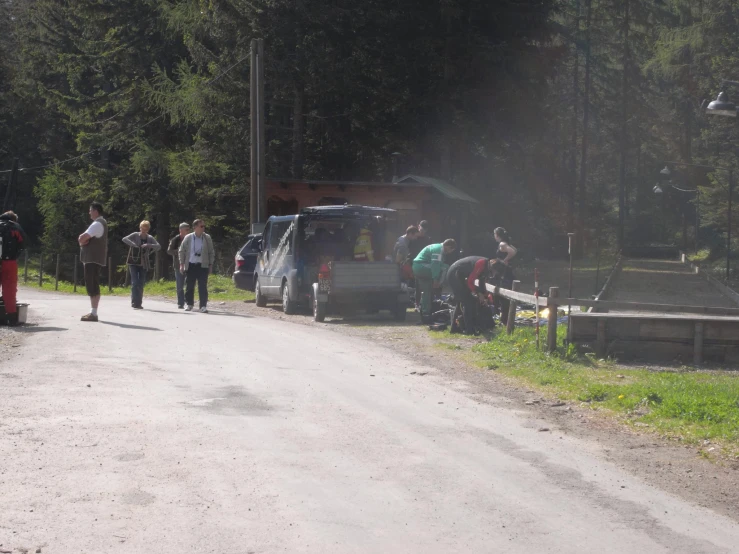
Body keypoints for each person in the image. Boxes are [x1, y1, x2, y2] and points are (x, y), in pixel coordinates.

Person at [412, 238, 457, 321]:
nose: (450, 252)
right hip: (421, 266)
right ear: (447, 246)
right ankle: (440, 286)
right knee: (445, 267)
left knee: (427, 291)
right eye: (451, 250)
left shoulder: (437, 248)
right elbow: (435, 265)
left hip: (419, 267)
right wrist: (436, 280)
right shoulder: (439, 250)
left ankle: (426, 313)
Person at [446, 256, 492, 335]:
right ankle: (469, 330)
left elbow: (481, 281)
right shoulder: (481, 264)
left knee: (462, 301)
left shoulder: (486, 265)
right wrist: (478, 293)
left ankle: (454, 328)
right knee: (468, 302)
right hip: (454, 275)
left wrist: (484, 295)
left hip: (460, 276)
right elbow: (470, 281)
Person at [78, 201, 108, 322]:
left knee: (92, 284)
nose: (89, 212)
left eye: (90, 210)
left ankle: (93, 313)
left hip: (92, 259)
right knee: (93, 283)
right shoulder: (101, 223)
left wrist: (81, 241)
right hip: (94, 259)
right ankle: (93, 312)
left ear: (96, 211)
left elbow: (82, 238)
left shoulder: (97, 224)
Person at [179, 218, 215, 313]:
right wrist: (181, 264)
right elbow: (181, 251)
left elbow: (211, 252)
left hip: (203, 266)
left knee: (203, 286)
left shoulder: (207, 238)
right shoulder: (188, 237)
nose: (203, 228)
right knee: (189, 286)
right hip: (191, 265)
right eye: (201, 226)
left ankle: (203, 306)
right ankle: (189, 304)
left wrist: (210, 265)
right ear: (195, 227)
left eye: (204, 226)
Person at [122, 220, 161, 310]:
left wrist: (149, 245)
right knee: (135, 282)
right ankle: (134, 302)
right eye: (142, 229)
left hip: (144, 263)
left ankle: (139, 303)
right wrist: (134, 245)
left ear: (148, 229)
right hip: (134, 261)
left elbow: (158, 246)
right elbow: (124, 239)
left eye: (145, 229)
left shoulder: (150, 237)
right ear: (140, 228)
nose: (143, 231)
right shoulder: (135, 235)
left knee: (141, 283)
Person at [0, 211, 27, 326]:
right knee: (10, 289)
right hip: (9, 262)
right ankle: (11, 318)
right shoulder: (15, 227)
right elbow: (24, 243)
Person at [493, 227, 517, 325]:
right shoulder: (507, 242)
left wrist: (504, 260)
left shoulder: (502, 244)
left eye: (494, 234)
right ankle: (504, 317)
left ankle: (503, 318)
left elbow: (512, 252)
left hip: (504, 273)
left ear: (497, 235)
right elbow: (515, 250)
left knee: (502, 294)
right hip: (507, 271)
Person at [409, 220, 432, 308]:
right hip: (414, 262)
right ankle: (416, 304)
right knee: (417, 284)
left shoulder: (428, 239)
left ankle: (421, 303)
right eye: (421, 229)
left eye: (423, 230)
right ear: (418, 227)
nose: (422, 232)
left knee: (422, 284)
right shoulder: (414, 238)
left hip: (424, 262)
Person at [167, 222, 190, 309]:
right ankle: (180, 303)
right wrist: (180, 251)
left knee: (189, 285)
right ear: (181, 230)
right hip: (178, 265)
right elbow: (169, 251)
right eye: (186, 229)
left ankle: (188, 302)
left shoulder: (190, 238)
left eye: (189, 229)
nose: (188, 231)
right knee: (180, 285)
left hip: (189, 264)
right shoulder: (175, 239)